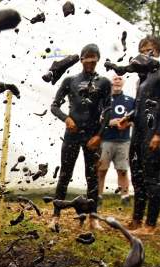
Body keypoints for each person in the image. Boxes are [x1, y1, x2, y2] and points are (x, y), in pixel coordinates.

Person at [49, 43, 111, 231]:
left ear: (98, 59)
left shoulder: (104, 83)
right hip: (72, 135)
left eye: (94, 57)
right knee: (64, 175)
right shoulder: (70, 81)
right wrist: (66, 118)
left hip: (92, 137)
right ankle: (55, 216)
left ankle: (93, 218)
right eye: (87, 57)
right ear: (81, 59)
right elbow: (54, 106)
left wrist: (100, 136)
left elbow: (108, 111)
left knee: (92, 177)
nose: (90, 61)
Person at [120, 35, 160, 235]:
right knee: (137, 176)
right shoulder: (141, 79)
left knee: (152, 178)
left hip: (153, 133)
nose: (146, 53)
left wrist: (159, 133)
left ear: (158, 52)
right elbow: (139, 107)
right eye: (143, 50)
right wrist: (127, 118)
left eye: (150, 49)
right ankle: (137, 219)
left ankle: (151, 224)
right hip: (138, 133)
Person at [97, 75, 135, 203]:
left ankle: (125, 196)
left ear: (123, 82)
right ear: (110, 82)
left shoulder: (130, 101)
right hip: (105, 140)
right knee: (101, 169)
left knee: (123, 170)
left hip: (123, 141)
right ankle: (98, 196)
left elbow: (136, 119)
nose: (117, 81)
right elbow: (97, 119)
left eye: (120, 78)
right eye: (115, 79)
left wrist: (126, 123)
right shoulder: (103, 100)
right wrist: (109, 122)